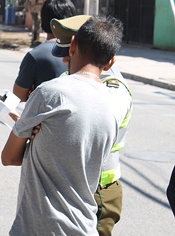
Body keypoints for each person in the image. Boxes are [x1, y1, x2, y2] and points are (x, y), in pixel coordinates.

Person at [1, 15, 125, 235]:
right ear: (110, 62)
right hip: (85, 226)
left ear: (73, 44)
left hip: (39, 227)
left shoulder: (49, 93)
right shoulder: (114, 105)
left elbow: (9, 157)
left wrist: (30, 136)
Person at [50, 15, 133, 236]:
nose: (66, 62)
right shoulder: (71, 78)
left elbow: (89, 121)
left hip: (97, 189)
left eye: (71, 55)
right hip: (70, 182)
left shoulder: (115, 88)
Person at [13, 0, 76, 101]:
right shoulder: (85, 52)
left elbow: (18, 95)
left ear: (43, 21)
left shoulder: (35, 56)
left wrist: (33, 92)